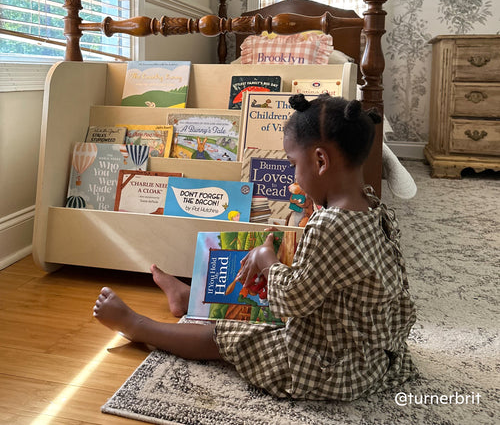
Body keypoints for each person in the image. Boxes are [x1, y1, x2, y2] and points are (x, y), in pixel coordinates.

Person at [93, 94, 417, 401]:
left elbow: (291, 301)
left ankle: (139, 326)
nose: (294, 174)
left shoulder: (330, 226)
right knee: (256, 298)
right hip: (372, 349)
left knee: (233, 336)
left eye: (293, 163)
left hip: (332, 367)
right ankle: (191, 301)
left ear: (320, 161)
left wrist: (266, 259)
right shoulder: (372, 206)